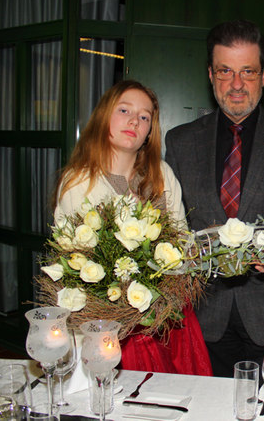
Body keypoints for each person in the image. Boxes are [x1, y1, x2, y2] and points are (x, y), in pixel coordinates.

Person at [164, 20, 264, 377]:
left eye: (247, 71)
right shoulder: (180, 142)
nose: (236, 84)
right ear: (210, 75)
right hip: (202, 314)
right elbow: (169, 226)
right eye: (225, 71)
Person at [54, 80, 212, 376]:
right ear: (104, 116)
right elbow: (69, 261)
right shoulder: (80, 181)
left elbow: (181, 241)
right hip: (106, 325)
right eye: (124, 110)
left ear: (150, 130)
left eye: (144, 117)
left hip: (166, 320)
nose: (133, 121)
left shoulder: (162, 174)